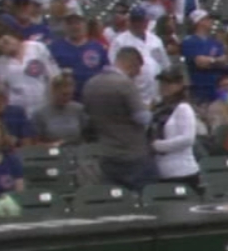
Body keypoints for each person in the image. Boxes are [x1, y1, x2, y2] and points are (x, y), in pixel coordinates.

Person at [84, 46, 157, 190]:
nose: (137, 74)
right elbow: (143, 119)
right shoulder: (125, 85)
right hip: (132, 155)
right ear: (133, 64)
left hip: (106, 154)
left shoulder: (91, 84)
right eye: (138, 69)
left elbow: (88, 119)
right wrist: (150, 108)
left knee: (116, 202)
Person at [149, 67, 201, 187]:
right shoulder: (157, 109)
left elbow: (188, 139)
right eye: (162, 83)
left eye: (169, 83)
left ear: (179, 85)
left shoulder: (183, 108)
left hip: (182, 171)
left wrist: (158, 146)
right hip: (161, 170)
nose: (164, 86)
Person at [31, 73, 87, 146]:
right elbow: (34, 144)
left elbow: (85, 136)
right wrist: (52, 145)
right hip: (51, 153)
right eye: (64, 94)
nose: (68, 97)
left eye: (70, 94)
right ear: (54, 91)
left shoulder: (79, 109)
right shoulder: (39, 113)